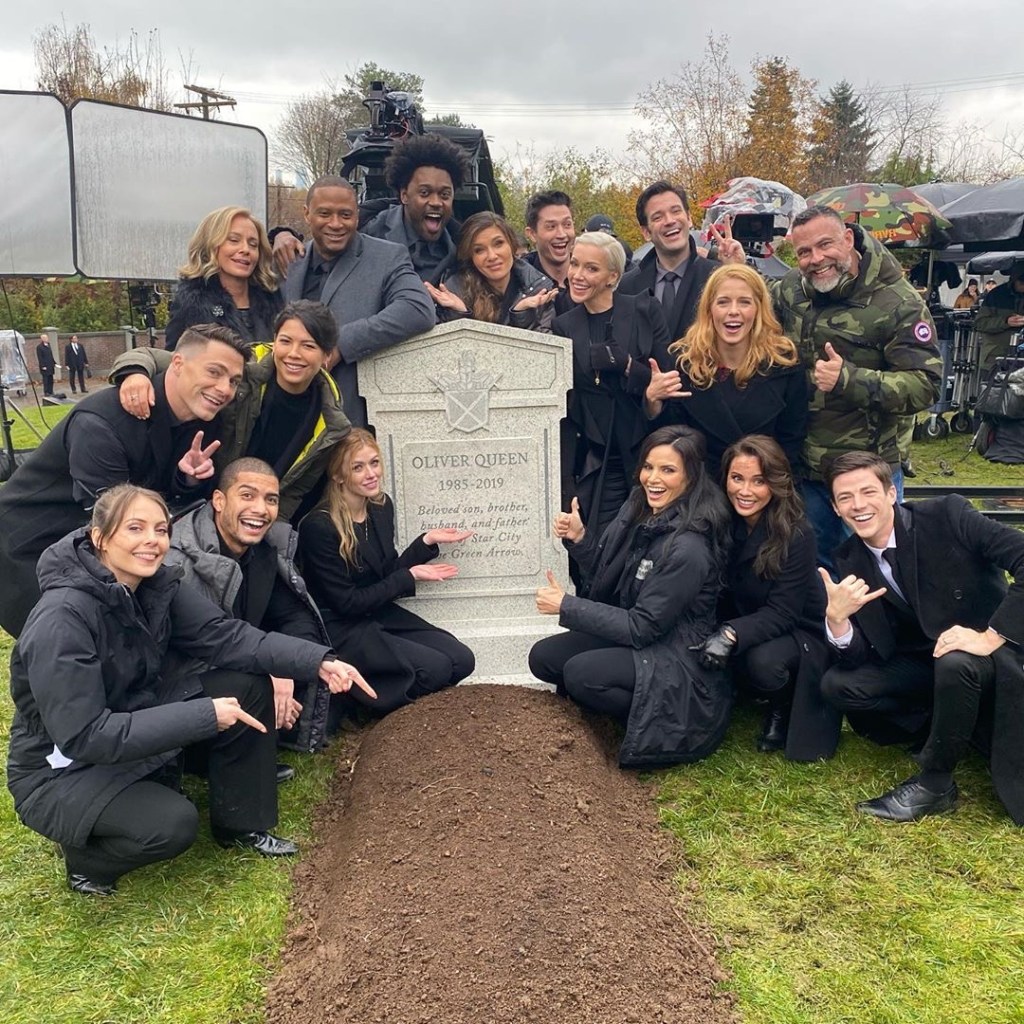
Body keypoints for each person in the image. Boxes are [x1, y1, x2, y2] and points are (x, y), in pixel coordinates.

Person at [6, 484, 374, 894]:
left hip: (133, 718)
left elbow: (227, 637)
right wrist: (204, 715)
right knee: (171, 825)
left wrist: (317, 660)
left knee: (247, 685)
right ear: (100, 537)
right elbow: (85, 735)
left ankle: (242, 825)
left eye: (161, 529)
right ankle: (85, 861)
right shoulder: (62, 619)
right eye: (135, 528)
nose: (152, 540)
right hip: (61, 768)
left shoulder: (154, 586)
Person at [0, 323, 249, 638]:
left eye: (233, 381)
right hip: (28, 546)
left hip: (93, 539)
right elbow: (111, 521)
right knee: (66, 643)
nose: (225, 388)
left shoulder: (203, 420)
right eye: (214, 372)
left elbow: (150, 495)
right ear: (177, 363)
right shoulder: (101, 424)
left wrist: (185, 479)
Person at [819, 451, 1024, 823]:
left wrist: (991, 636)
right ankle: (953, 724)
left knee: (955, 661)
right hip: (925, 660)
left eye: (868, 492)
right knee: (838, 685)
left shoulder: (948, 515)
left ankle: (936, 783)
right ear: (835, 508)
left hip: (990, 656)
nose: (858, 505)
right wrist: (837, 620)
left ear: (891, 493)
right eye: (845, 497)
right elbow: (865, 652)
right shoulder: (848, 557)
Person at [741, 205, 941, 568]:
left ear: (848, 239)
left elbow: (925, 385)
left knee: (875, 570)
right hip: (808, 471)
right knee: (812, 571)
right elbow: (759, 300)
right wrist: (739, 266)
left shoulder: (899, 302)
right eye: (804, 252)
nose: (816, 259)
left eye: (825, 245)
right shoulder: (794, 288)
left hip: (865, 473)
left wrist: (849, 379)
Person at [528, 425, 734, 768]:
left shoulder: (689, 547)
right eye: (648, 467)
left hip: (678, 659)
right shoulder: (641, 509)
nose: (653, 478)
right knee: (544, 658)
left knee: (581, 674)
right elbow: (612, 578)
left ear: (692, 476)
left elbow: (642, 627)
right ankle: (613, 714)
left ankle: (651, 723)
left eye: (668, 470)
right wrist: (581, 540)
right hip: (646, 639)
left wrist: (567, 606)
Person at [113, 300, 351, 521]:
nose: (293, 354)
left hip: (257, 515)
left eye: (308, 346)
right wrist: (135, 372)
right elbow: (162, 357)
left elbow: (297, 488)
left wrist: (274, 524)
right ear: (274, 340)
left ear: (326, 355)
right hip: (202, 497)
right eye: (285, 341)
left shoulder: (330, 420)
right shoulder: (243, 364)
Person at [297, 429, 475, 717]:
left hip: (377, 612)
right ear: (339, 475)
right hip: (342, 626)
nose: (371, 474)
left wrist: (425, 543)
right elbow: (347, 603)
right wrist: (409, 577)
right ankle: (361, 707)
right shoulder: (319, 526)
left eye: (374, 463)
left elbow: (385, 573)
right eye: (358, 467)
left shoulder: (380, 507)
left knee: (461, 659)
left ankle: (408, 710)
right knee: (436, 669)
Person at [166, 458, 335, 756]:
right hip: (180, 685)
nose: (260, 509)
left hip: (244, 656)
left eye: (271, 500)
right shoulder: (180, 562)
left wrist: (285, 668)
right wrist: (270, 670)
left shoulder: (265, 550)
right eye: (247, 495)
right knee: (253, 687)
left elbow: (294, 615)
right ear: (219, 501)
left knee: (328, 671)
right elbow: (201, 649)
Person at [692, 435, 836, 759]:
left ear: (776, 483)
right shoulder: (722, 520)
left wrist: (730, 633)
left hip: (798, 629)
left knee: (763, 662)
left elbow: (783, 612)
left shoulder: (797, 533)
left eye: (759, 481)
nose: (745, 491)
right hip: (747, 617)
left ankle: (781, 705)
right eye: (737, 478)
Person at [276, 176, 436, 426]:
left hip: (351, 421)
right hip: (289, 418)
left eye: (346, 215)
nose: (336, 224)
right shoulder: (289, 261)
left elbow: (418, 309)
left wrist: (341, 343)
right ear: (307, 214)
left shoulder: (387, 257)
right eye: (325, 214)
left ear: (357, 216)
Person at [553, 231, 671, 542]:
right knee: (604, 545)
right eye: (574, 264)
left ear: (613, 277)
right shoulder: (563, 326)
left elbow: (665, 381)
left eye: (591, 268)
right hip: (598, 462)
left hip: (646, 452)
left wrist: (629, 366)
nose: (578, 275)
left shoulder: (644, 309)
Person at [646, 264, 807, 479]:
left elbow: (792, 442)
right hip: (701, 487)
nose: (733, 311)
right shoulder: (684, 362)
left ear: (759, 309)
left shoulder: (785, 363)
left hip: (762, 486)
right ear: (709, 309)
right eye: (723, 302)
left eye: (744, 302)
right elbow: (669, 441)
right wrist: (653, 402)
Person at [617, 181, 743, 343]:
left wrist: (738, 272)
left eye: (676, 211)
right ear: (646, 232)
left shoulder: (718, 278)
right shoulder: (626, 287)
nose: (669, 221)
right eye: (658, 217)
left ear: (689, 218)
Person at [165, 206, 283, 351]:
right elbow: (173, 358)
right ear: (210, 245)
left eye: (253, 245)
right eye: (234, 240)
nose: (246, 250)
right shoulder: (190, 304)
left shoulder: (275, 299)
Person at [426, 212, 558, 332]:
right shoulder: (455, 292)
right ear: (471, 257)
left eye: (498, 244)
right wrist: (459, 314)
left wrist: (522, 316)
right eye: (479, 250)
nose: (492, 256)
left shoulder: (538, 288)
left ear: (512, 244)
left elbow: (546, 347)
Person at [522, 189, 576, 314]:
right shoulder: (519, 285)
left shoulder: (595, 278)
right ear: (532, 234)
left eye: (567, 224)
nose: (561, 234)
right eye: (551, 226)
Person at [973, 265, 1024, 376]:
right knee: (990, 386)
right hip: (994, 359)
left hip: (1021, 362)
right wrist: (1006, 321)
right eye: (1022, 283)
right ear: (1015, 280)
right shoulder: (996, 295)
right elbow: (979, 323)